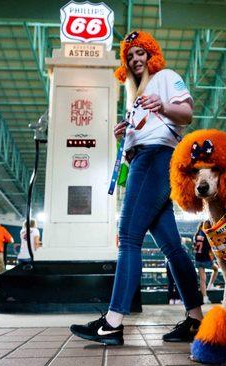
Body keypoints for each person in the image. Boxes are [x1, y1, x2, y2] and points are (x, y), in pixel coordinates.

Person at [70, 30, 203, 345]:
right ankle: (196, 320)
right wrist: (125, 139)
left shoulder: (166, 77)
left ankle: (113, 323)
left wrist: (162, 106)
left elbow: (186, 113)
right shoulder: (134, 100)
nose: (135, 59)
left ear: (151, 55)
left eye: (140, 52)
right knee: (171, 246)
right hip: (146, 160)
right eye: (129, 56)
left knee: (128, 237)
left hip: (157, 159)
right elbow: (140, 141)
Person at [193, 221, 212, 304]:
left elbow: (194, 247)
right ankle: (211, 285)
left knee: (202, 279)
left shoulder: (196, 235)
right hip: (205, 258)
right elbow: (209, 248)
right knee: (216, 269)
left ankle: (204, 297)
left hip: (198, 258)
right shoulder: (205, 235)